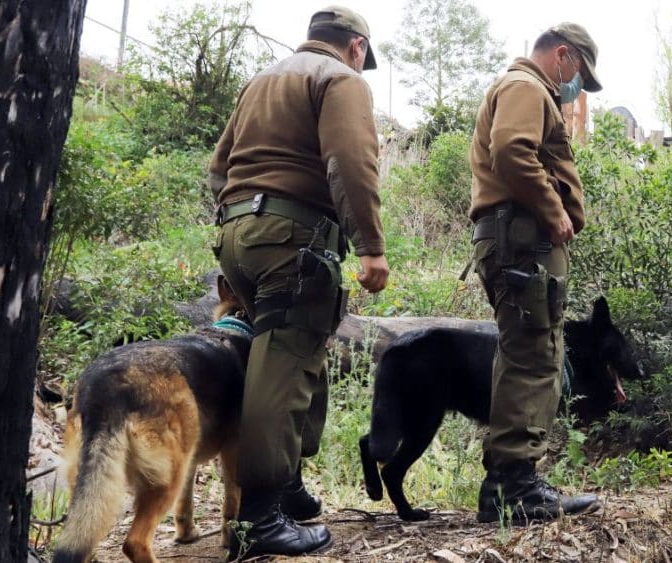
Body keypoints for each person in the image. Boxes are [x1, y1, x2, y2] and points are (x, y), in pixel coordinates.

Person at [208, 6, 389, 557]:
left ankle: (287, 484)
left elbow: (218, 167)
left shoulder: (261, 80)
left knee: (302, 352)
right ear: (356, 47)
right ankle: (258, 520)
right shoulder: (341, 79)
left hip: (239, 233)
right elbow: (351, 163)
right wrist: (372, 248)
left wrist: (240, 223)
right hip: (293, 237)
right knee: (283, 368)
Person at [468, 23, 603, 524]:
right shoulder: (526, 86)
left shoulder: (524, 88)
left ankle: (512, 480)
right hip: (522, 238)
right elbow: (512, 151)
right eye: (580, 76)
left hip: (518, 240)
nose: (577, 89)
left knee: (530, 350)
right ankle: (512, 487)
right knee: (533, 355)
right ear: (563, 56)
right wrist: (553, 209)